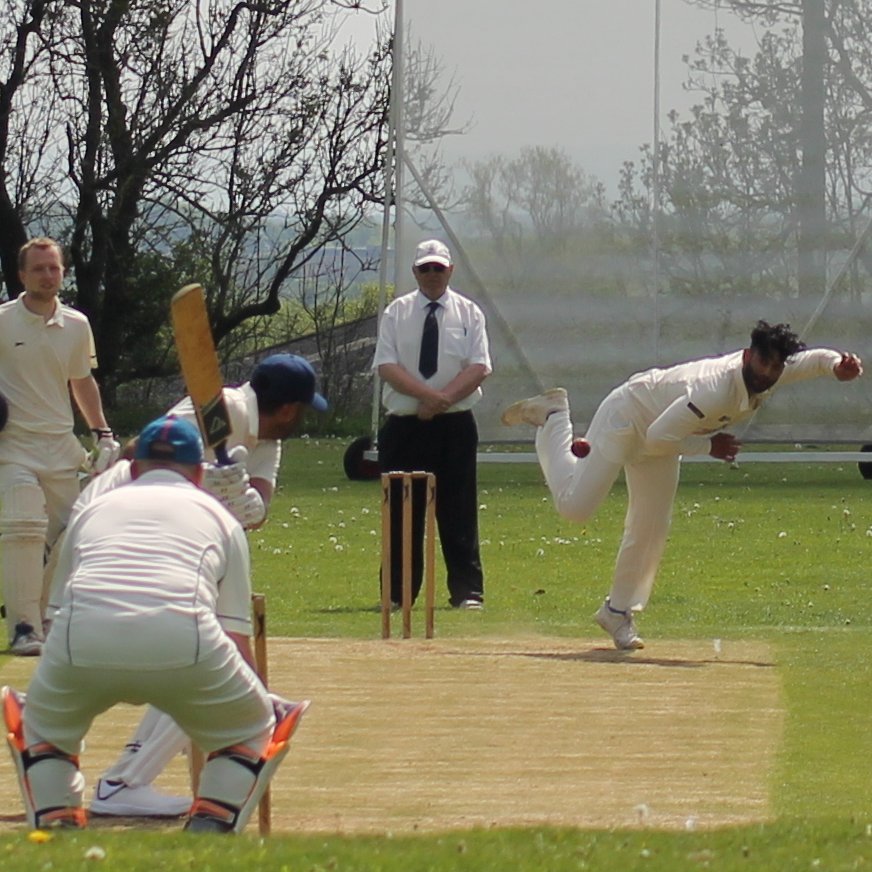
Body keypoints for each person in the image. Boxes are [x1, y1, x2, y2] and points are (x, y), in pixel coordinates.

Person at [2, 416, 309, 833]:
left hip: (79, 646)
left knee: (43, 732)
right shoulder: (221, 519)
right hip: (184, 645)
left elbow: (55, 622)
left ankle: (56, 826)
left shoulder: (92, 510)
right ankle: (210, 829)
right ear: (200, 473)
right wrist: (256, 700)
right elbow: (234, 634)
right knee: (255, 729)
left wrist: (51, 701)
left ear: (134, 467)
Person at [501, 321, 863, 650]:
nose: (767, 373)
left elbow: (813, 360)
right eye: (763, 363)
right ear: (748, 356)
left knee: (651, 525)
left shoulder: (772, 370)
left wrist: (836, 366)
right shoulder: (713, 389)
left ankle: (617, 611)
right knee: (575, 508)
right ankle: (554, 416)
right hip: (629, 417)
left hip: (667, 434)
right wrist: (709, 446)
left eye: (775, 367)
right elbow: (658, 436)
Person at [84, 353, 327, 817]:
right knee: (202, 657)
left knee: (200, 654)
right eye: (303, 411)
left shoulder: (268, 441)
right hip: (131, 528)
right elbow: (145, 454)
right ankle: (114, 778)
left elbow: (257, 510)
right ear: (289, 408)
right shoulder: (228, 409)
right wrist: (204, 482)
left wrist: (246, 501)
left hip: (185, 545)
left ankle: (124, 779)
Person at [0, 237, 119, 657]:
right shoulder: (2, 322)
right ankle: (23, 627)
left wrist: (102, 432)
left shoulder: (76, 325)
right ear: (21, 275)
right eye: (38, 269)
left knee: (74, 534)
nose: (47, 276)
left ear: (62, 273)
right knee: (24, 531)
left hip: (60, 446)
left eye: (54, 269)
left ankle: (48, 617)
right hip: (12, 447)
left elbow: (81, 381)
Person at [373, 239, 492, 609]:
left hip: (454, 425)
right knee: (401, 512)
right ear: (415, 272)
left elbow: (479, 366)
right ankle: (397, 593)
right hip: (405, 426)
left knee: (458, 510)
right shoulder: (397, 312)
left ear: (450, 270)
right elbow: (387, 366)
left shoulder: (469, 313)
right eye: (425, 268)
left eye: (438, 268)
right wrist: (426, 397)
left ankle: (467, 592)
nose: (432, 274)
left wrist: (442, 402)